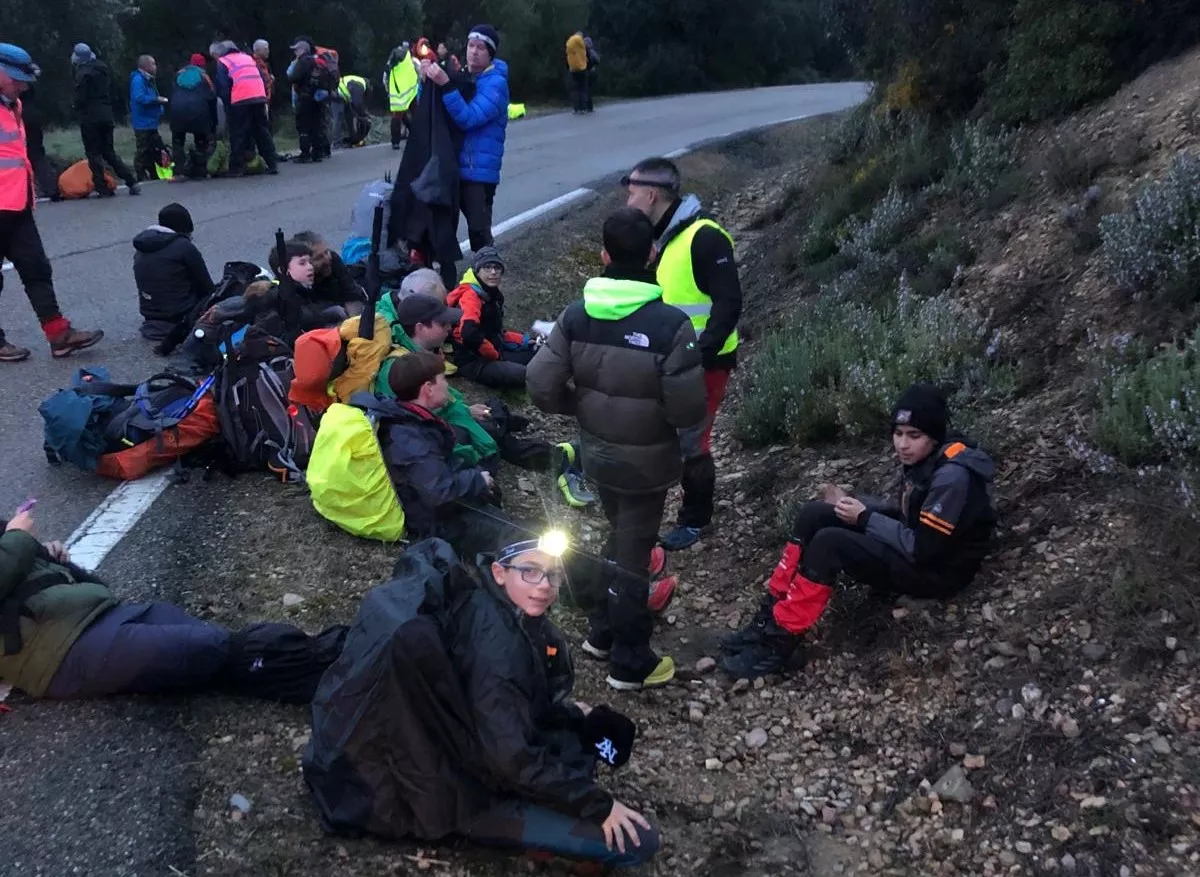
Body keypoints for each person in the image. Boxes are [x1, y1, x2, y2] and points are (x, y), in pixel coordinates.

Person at [305, 536, 660, 869]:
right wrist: (599, 806)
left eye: (552, 574)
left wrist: (567, 715)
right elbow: (510, 761)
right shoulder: (499, 651)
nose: (543, 585)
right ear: (499, 573)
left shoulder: (491, 607)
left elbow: (507, 708)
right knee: (640, 842)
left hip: (460, 743)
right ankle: (526, 841)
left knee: (571, 740)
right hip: (450, 792)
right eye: (529, 571)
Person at [527, 208, 708, 691]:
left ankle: (602, 632)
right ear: (652, 254)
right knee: (632, 557)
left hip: (598, 457)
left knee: (619, 536)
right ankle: (631, 661)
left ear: (604, 255)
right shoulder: (671, 325)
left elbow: (540, 384)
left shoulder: (575, 315)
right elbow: (688, 409)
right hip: (647, 466)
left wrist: (582, 407)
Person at [722, 384, 998, 678]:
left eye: (914, 436)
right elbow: (907, 516)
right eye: (898, 433)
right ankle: (766, 622)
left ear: (933, 437)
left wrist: (865, 518)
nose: (903, 444)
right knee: (813, 514)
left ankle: (779, 645)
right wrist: (855, 505)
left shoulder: (951, 477)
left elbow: (922, 548)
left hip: (937, 572)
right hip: (916, 547)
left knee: (830, 544)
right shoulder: (926, 459)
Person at [0, 504, 345, 701]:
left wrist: (50, 556)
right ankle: (337, 671)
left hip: (94, 613)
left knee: (216, 650)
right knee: (211, 647)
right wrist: (19, 538)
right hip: (60, 651)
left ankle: (333, 667)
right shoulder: (13, 537)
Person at [624, 157, 743, 552]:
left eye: (632, 191)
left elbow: (728, 303)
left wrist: (700, 354)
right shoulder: (666, 238)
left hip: (704, 365)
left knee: (693, 442)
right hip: (671, 362)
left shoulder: (705, 237)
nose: (629, 199)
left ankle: (695, 519)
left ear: (652, 194)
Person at [0, 43, 105, 363]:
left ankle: (59, 335)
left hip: (16, 202)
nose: (23, 84)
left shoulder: (12, 103)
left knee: (36, 268)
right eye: (16, 78)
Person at [359, 351, 496, 539]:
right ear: (428, 388)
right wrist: (477, 480)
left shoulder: (404, 413)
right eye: (443, 379)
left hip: (434, 501)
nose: (447, 384)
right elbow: (438, 492)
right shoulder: (410, 441)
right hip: (432, 521)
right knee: (522, 540)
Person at [420, 25, 509, 251]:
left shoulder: (496, 84)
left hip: (478, 172)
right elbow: (435, 109)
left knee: (479, 233)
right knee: (440, 225)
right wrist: (426, 82)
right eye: (471, 46)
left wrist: (445, 85)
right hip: (452, 166)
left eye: (481, 47)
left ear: (491, 54)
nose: (474, 52)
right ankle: (443, 280)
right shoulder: (462, 76)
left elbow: (468, 118)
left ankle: (486, 278)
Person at [446, 247, 536, 390]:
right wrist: (494, 355)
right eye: (487, 267)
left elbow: (496, 332)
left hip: (494, 350)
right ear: (477, 270)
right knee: (525, 374)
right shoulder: (471, 295)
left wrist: (523, 341)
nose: (493, 272)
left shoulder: (491, 293)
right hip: (473, 361)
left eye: (497, 268)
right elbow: (469, 333)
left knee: (538, 356)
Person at [133, 203, 214, 349]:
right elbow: (206, 285)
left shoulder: (142, 246)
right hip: (178, 313)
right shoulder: (184, 246)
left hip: (149, 312)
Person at [70, 43, 138, 196]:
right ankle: (131, 180)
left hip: (90, 117)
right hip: (106, 113)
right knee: (109, 151)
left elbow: (80, 97)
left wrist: (75, 106)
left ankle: (101, 185)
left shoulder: (83, 73)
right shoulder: (103, 68)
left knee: (93, 152)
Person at [209, 40, 279, 177]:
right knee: (262, 131)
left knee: (238, 133)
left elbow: (223, 86)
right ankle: (272, 164)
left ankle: (237, 167)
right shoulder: (248, 58)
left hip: (240, 100)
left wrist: (228, 105)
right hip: (259, 97)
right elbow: (261, 77)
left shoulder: (224, 61)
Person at [168, 55, 217, 179]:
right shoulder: (204, 76)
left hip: (177, 112)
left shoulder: (178, 75)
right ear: (203, 65)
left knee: (178, 142)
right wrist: (213, 123)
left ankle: (178, 172)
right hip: (199, 112)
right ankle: (200, 171)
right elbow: (212, 98)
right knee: (201, 140)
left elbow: (173, 94)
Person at [290, 231, 365, 312]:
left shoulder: (333, 259)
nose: (327, 259)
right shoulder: (295, 280)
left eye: (326, 252)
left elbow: (352, 293)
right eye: (318, 258)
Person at [287, 37, 331, 164]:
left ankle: (305, 154)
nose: (295, 53)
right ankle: (317, 153)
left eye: (296, 50)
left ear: (302, 50)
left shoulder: (303, 61)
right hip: (319, 98)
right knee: (317, 125)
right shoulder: (318, 60)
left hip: (305, 98)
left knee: (303, 126)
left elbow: (293, 77)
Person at [130, 55, 168, 182]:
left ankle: (153, 172)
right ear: (145, 66)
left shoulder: (149, 80)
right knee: (142, 149)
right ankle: (140, 174)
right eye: (153, 64)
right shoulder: (138, 80)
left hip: (151, 121)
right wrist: (156, 100)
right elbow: (139, 98)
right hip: (142, 122)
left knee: (153, 148)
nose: (155, 67)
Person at [19, 86, 59, 201]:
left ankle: (27, 190)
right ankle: (51, 187)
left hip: (22, 117)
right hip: (33, 116)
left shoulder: (11, 81)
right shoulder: (27, 82)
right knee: (38, 155)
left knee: (24, 157)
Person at [383, 43, 419, 149]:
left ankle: (395, 142)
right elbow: (419, 71)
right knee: (416, 114)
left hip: (397, 96)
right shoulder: (411, 60)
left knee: (397, 117)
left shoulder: (391, 63)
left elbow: (385, 78)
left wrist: (388, 92)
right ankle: (417, 135)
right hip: (412, 91)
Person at [337, 73, 371, 146]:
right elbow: (357, 103)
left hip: (340, 94)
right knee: (338, 119)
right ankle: (337, 142)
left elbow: (354, 103)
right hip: (336, 93)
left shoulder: (355, 80)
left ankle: (353, 138)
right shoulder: (360, 84)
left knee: (348, 116)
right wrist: (364, 115)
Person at [565, 32, 589, 114]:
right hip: (582, 68)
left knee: (575, 90)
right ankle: (583, 108)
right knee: (583, 89)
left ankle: (576, 108)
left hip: (573, 69)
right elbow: (584, 48)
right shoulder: (579, 40)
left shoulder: (569, 42)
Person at [252, 40, 274, 110]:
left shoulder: (265, 64)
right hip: (258, 99)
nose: (268, 51)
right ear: (257, 50)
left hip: (266, 99)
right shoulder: (252, 63)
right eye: (265, 49)